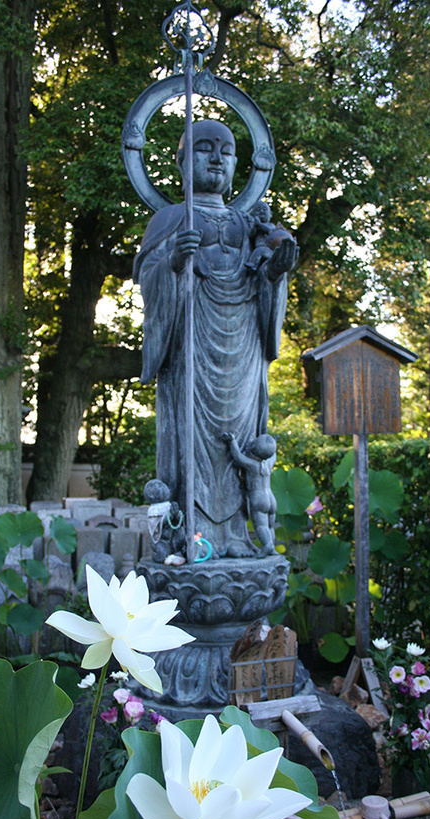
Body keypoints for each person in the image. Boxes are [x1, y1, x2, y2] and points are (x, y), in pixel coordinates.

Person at [134, 120, 296, 558]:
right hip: (192, 345)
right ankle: (191, 537)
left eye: (225, 150)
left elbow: (266, 281)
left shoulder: (250, 224)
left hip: (242, 350)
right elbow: (148, 283)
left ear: (238, 164)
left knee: (241, 439)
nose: (216, 158)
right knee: (192, 437)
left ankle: (239, 539)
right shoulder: (170, 219)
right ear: (182, 162)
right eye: (203, 149)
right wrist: (172, 261)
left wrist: (276, 273)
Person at [221, 432, 277, 558]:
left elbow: (238, 457)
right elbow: (273, 455)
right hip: (270, 497)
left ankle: (267, 545)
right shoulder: (268, 463)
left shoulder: (253, 465)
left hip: (259, 498)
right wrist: (274, 443)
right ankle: (272, 546)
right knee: (270, 525)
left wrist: (233, 442)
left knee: (261, 525)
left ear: (253, 448)